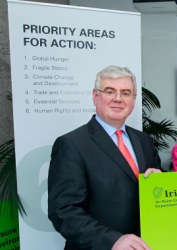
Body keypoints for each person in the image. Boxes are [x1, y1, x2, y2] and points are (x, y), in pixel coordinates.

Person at [48, 65, 162, 250]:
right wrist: (112, 240)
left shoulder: (144, 141)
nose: (118, 99)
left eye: (126, 93)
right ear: (95, 96)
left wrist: (160, 179)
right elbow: (63, 211)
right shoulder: (71, 144)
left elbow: (154, 187)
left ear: (133, 100)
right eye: (110, 91)